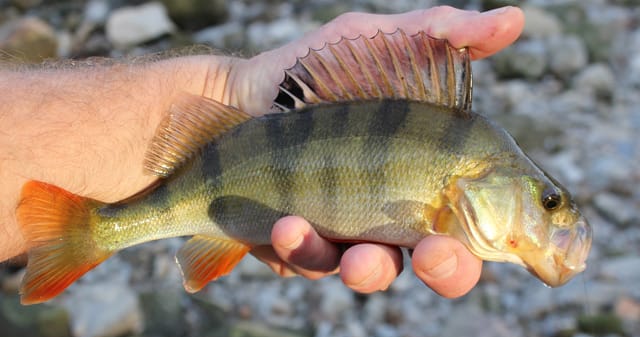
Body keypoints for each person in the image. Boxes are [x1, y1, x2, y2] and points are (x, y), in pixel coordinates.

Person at [0, 6, 524, 298]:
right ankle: (96, 228)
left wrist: (233, 88)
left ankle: (97, 228)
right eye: (546, 202)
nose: (548, 213)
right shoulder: (470, 150)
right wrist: (233, 93)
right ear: (481, 183)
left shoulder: (470, 142)